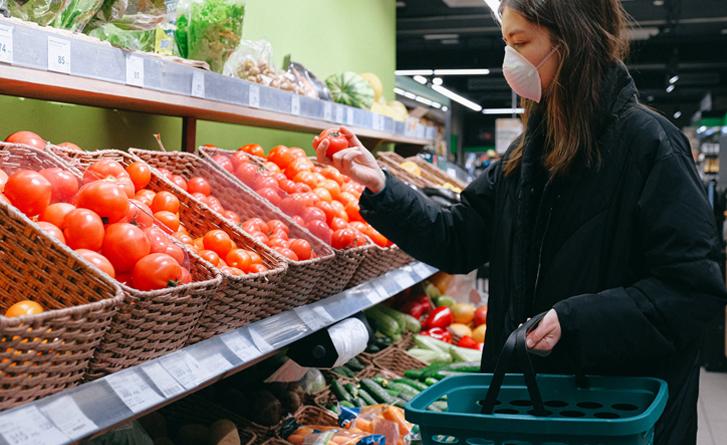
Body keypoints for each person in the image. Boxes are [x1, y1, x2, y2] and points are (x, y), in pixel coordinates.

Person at [313, 1, 727, 443]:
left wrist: (577, 320)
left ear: (572, 42)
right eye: (506, 42)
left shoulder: (650, 146)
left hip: (617, 414)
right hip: (533, 406)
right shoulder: (531, 151)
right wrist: (381, 187)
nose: (509, 59)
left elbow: (693, 291)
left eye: (521, 42)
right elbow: (459, 239)